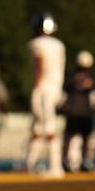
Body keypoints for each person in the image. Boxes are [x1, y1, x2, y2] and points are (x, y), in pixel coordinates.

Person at [24, 12, 66, 178]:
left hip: (44, 89)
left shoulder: (37, 43)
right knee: (39, 127)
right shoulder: (59, 45)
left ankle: (56, 166)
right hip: (55, 88)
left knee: (48, 127)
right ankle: (28, 163)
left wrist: (36, 86)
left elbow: (40, 64)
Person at [61, 51, 95, 173]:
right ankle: (83, 162)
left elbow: (64, 94)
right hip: (85, 112)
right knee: (85, 138)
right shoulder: (91, 77)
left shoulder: (71, 76)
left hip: (72, 111)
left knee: (68, 137)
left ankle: (65, 161)